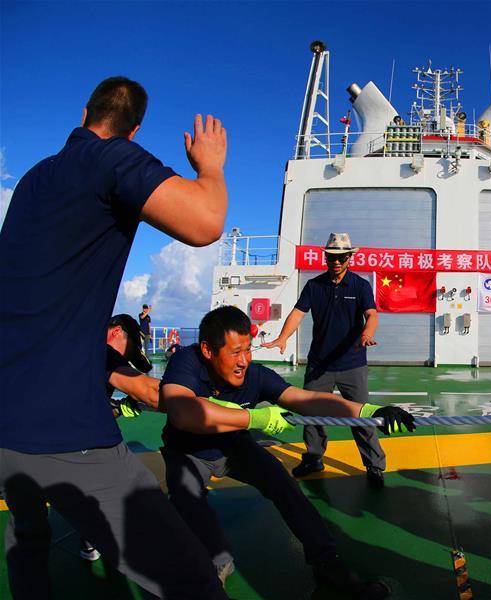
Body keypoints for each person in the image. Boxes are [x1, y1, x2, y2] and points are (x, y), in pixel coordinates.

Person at [0, 76, 229, 598]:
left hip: (5, 412)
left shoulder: (37, 176)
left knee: (29, 543)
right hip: (62, 426)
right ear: (134, 131)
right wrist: (209, 165)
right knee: (192, 582)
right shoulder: (111, 159)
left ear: (84, 112)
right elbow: (205, 222)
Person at [160, 305, 414, 595]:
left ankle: (328, 567)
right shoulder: (186, 362)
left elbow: (305, 400)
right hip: (188, 451)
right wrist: (254, 418)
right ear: (207, 350)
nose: (244, 361)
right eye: (235, 352)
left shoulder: (256, 376)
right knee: (186, 500)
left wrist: (368, 410)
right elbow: (182, 412)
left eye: (248, 350)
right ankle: (215, 564)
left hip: (233, 445)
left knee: (284, 485)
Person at [265, 232, 387, 488]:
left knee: (361, 417)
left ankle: (374, 466)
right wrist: (282, 337)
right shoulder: (315, 286)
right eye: (332, 257)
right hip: (319, 365)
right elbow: (298, 314)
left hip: (352, 364)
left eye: (342, 257)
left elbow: (372, 315)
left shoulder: (360, 285)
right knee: (312, 415)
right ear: (325, 258)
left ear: (349, 258)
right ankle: (313, 458)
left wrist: (367, 332)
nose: (337, 262)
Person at [80, 314, 161, 563]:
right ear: (116, 332)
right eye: (126, 353)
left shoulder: (74, 348)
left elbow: (84, 401)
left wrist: (117, 407)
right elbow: (150, 391)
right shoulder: (100, 351)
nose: (123, 360)